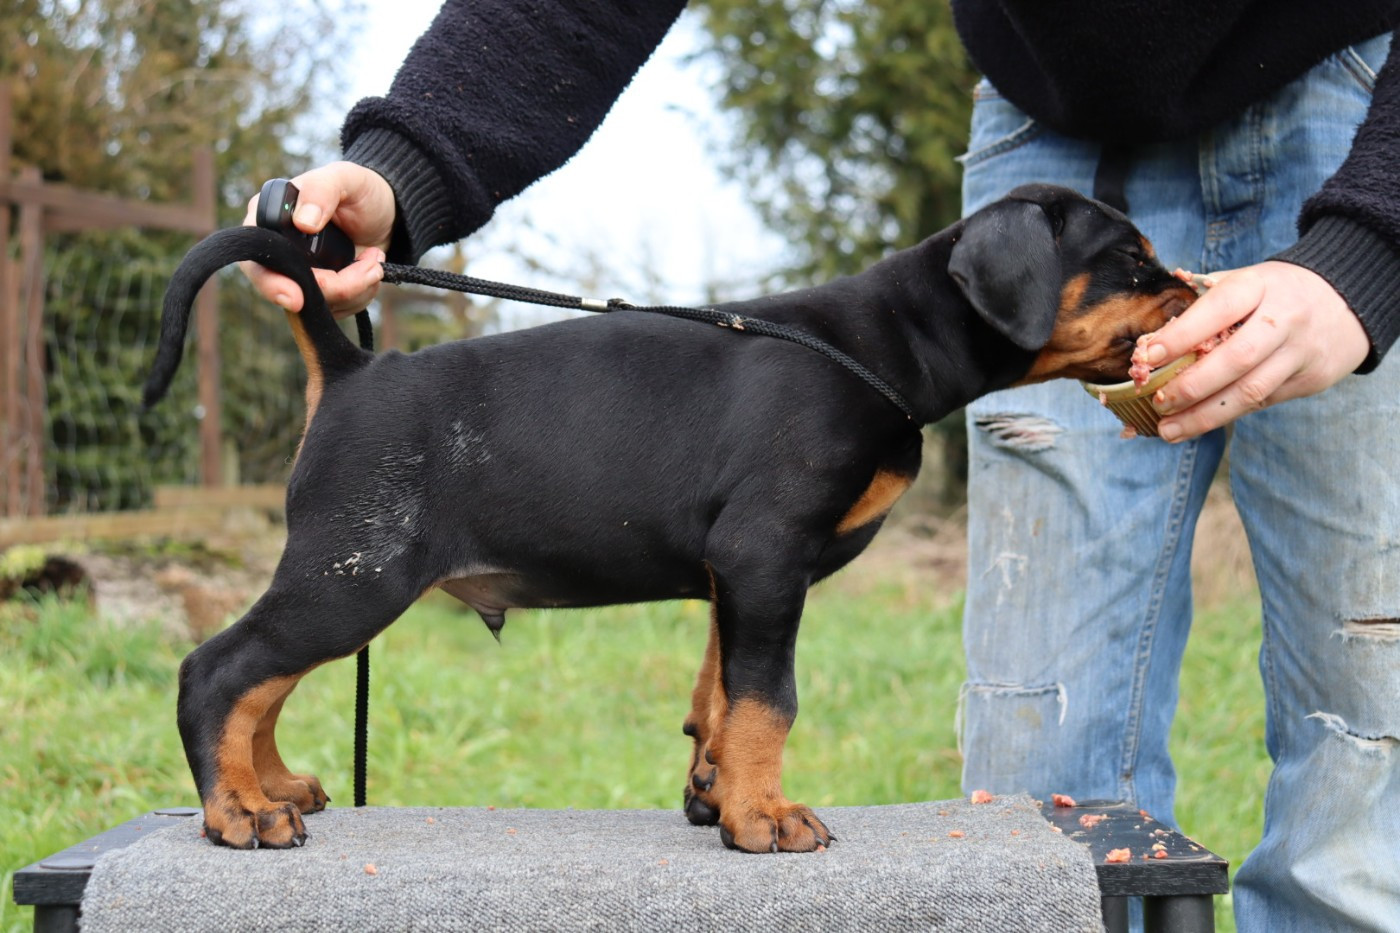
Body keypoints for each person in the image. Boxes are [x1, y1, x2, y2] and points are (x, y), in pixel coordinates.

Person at [243, 4, 1400, 929]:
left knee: (1364, 715)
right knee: (1040, 779)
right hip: (1044, 130)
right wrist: (410, 162)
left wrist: (1363, 254)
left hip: (1354, 107)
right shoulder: (952, 305)